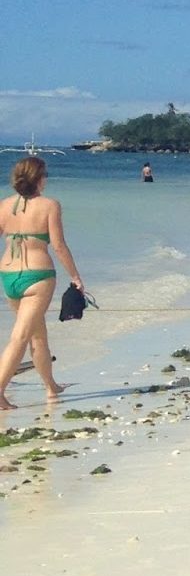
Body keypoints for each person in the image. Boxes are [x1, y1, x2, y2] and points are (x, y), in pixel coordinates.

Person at [0, 157, 84, 409]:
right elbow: (58, 245)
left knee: (38, 334)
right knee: (22, 336)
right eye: (45, 174)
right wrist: (75, 277)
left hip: (7, 275)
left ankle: (51, 387)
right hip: (38, 276)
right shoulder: (50, 205)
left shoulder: (4, 205)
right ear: (39, 178)